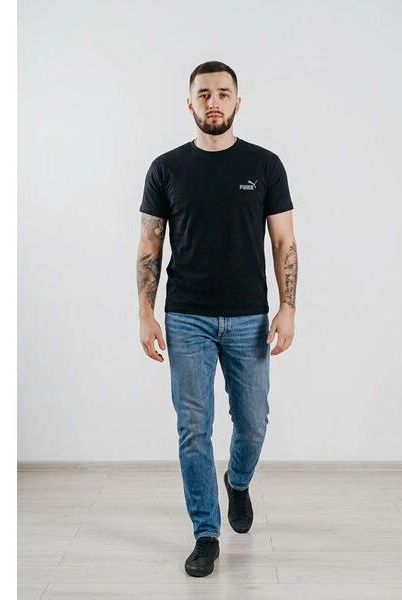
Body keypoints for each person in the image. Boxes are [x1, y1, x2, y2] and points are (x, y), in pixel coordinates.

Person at [135, 60, 298, 577]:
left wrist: (288, 307)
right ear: (190, 103)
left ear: (237, 102)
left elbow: (284, 241)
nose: (214, 102)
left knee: (253, 420)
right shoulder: (166, 168)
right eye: (204, 94)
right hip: (186, 317)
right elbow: (150, 245)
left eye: (223, 93)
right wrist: (145, 314)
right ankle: (205, 534)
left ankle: (239, 481)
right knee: (193, 428)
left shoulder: (265, 165)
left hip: (250, 316)